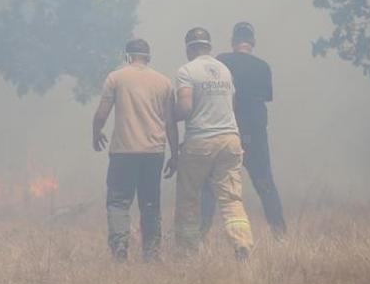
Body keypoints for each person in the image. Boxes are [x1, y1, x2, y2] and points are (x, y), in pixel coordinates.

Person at [92, 38, 178, 262]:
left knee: (118, 202)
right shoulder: (164, 83)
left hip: (123, 152)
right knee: (150, 203)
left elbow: (102, 114)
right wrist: (175, 155)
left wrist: (96, 132)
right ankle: (151, 253)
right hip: (153, 153)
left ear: (127, 56)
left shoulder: (116, 77)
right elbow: (170, 123)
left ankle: (120, 245)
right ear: (148, 58)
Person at [174, 27, 254, 260]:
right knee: (231, 200)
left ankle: (188, 252)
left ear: (189, 47)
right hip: (230, 139)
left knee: (189, 199)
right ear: (208, 46)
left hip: (200, 141)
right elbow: (233, 104)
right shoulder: (224, 70)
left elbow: (186, 107)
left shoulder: (187, 71)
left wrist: (169, 115)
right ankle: (242, 244)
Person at [201, 22, 287, 237]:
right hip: (256, 134)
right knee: (265, 183)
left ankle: (201, 234)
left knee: (211, 184)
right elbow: (266, 97)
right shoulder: (263, 67)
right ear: (253, 43)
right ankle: (279, 233)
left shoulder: (221, 62)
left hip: (227, 130)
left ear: (232, 42)